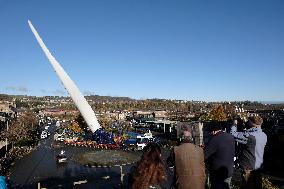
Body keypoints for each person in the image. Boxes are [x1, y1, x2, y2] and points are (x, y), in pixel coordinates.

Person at [230, 115, 267, 188]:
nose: (247, 122)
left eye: (248, 121)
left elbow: (233, 134)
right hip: (258, 167)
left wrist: (234, 124)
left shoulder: (250, 136)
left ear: (253, 124)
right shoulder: (263, 135)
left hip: (248, 168)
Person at [205, 121, 235, 189]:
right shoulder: (230, 137)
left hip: (217, 172)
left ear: (213, 131)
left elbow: (205, 155)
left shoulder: (214, 139)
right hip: (228, 170)